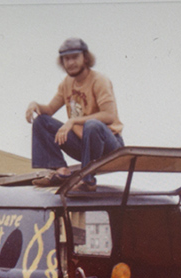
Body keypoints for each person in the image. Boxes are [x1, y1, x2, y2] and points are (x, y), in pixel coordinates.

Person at [25, 37, 124, 191]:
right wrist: (35, 105)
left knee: (92, 125)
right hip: (83, 145)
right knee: (42, 121)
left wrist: (73, 121)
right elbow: (50, 109)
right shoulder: (67, 83)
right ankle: (60, 170)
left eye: (75, 57)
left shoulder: (99, 80)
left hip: (108, 145)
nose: (70, 63)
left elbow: (109, 116)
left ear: (85, 58)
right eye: (66, 59)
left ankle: (88, 180)